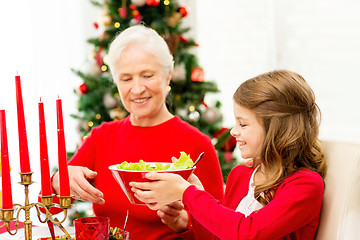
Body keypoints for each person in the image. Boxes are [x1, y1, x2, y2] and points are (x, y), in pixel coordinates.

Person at [50, 25, 224, 240]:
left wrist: (184, 225)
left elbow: (220, 230)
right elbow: (48, 209)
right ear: (116, 82)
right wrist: (58, 182)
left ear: (167, 76)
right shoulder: (101, 137)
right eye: (126, 78)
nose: (138, 88)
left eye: (147, 75)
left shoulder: (197, 143)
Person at [130, 70, 328, 240]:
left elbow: (247, 233)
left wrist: (188, 193)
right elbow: (220, 235)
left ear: (275, 129)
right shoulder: (241, 174)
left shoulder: (305, 185)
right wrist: (185, 218)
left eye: (242, 124)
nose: (233, 131)